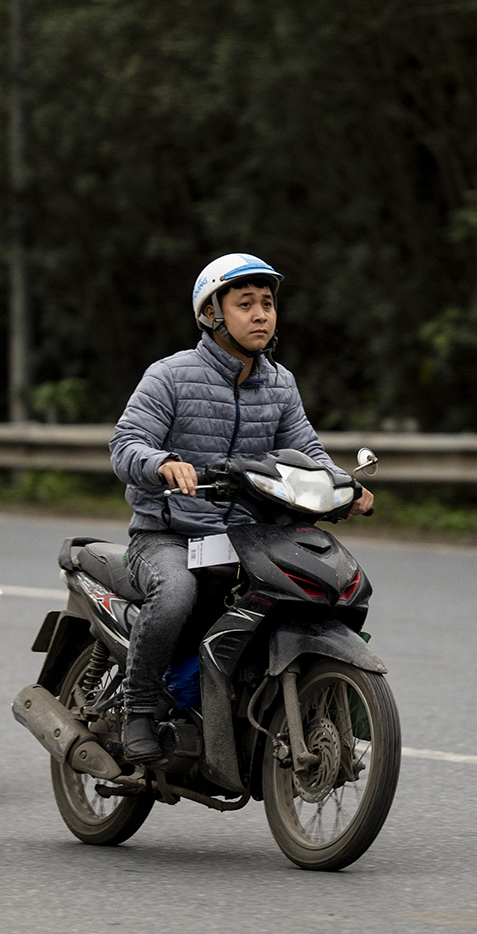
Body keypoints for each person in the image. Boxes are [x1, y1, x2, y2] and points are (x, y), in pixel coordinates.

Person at [108, 253, 374, 762]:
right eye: (245, 303)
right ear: (212, 314)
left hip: (248, 536)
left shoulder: (280, 383)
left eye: (268, 304)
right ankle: (137, 708)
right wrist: (163, 463)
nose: (260, 315)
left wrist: (343, 485)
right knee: (177, 593)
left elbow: (307, 452)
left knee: (322, 584)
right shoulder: (170, 376)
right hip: (167, 535)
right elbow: (126, 444)